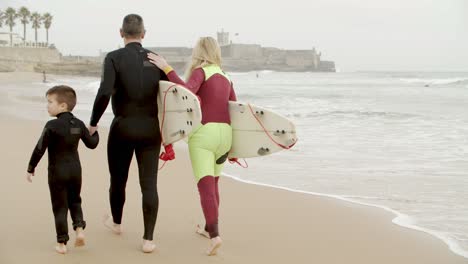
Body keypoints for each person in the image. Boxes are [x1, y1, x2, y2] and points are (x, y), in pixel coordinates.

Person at [148, 36, 237, 256]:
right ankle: (208, 229)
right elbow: (236, 109)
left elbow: (185, 90)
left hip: (204, 135)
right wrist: (236, 147)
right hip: (225, 135)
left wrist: (167, 68)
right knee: (214, 184)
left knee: (205, 187)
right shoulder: (226, 76)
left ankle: (215, 235)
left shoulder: (202, 71)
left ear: (199, 52)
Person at [88, 14, 167, 253]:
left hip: (122, 127)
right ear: (144, 33)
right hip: (151, 130)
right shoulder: (156, 60)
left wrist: (93, 123)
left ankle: (117, 223)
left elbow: (104, 92)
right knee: (149, 185)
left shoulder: (113, 57)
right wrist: (171, 133)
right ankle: (148, 240)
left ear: (120, 32)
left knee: (118, 181)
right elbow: (171, 97)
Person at [26, 85, 99, 254]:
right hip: (75, 171)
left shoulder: (52, 125)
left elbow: (39, 148)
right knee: (75, 201)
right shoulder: (78, 125)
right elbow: (92, 144)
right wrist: (95, 133)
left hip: (57, 172)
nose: (47, 105)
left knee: (60, 207)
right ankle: (79, 229)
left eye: (50, 102)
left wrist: (31, 167)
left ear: (63, 106)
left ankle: (61, 243)